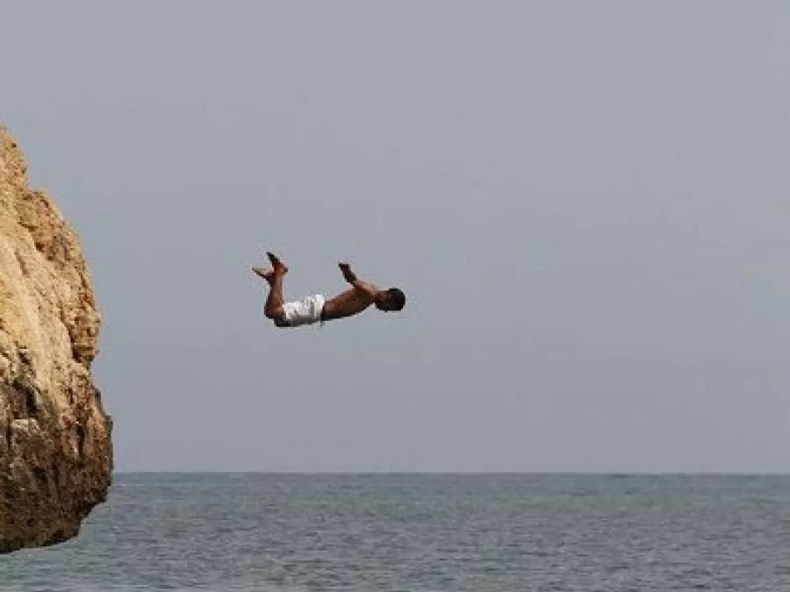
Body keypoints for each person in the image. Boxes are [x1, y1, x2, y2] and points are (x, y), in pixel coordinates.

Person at [252, 251, 406, 328]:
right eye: (389, 308)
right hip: (318, 309)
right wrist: (346, 270)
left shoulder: (371, 296)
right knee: (272, 313)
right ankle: (279, 273)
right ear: (389, 298)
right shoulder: (370, 292)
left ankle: (274, 281)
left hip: (317, 315)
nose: (385, 311)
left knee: (279, 322)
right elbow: (353, 280)